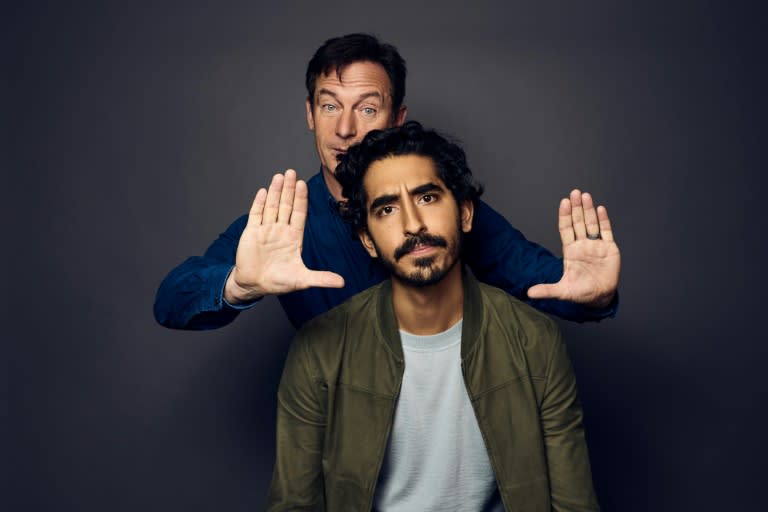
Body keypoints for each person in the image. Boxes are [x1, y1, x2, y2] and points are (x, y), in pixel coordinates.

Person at [153, 33, 621, 330]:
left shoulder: (441, 210)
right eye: (330, 105)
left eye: (367, 109)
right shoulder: (280, 225)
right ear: (310, 115)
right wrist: (238, 285)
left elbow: (545, 280)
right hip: (345, 447)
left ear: (397, 120)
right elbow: (172, 300)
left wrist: (593, 295)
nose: (345, 129)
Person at [266, 121, 601, 511]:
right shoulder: (318, 350)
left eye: (427, 198)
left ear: (465, 213)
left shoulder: (534, 339)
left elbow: (574, 505)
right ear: (367, 240)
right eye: (387, 208)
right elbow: (293, 505)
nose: (413, 224)